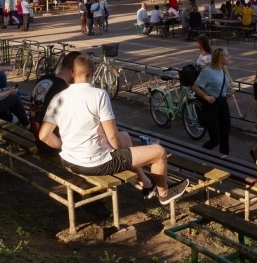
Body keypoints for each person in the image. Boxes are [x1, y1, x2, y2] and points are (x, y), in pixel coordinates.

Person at [39, 55, 188, 205]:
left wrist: (67, 147)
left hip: (69, 160)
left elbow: (44, 136)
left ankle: (146, 183)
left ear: (72, 73)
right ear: (93, 72)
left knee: (125, 136)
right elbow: (112, 136)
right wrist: (123, 153)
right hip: (95, 164)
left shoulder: (58, 97)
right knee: (159, 152)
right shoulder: (99, 95)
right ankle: (164, 193)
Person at [29, 51, 81, 156]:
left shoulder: (45, 78)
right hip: (53, 143)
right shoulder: (64, 90)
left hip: (35, 133)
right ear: (74, 71)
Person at [191, 47, 235, 156]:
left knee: (225, 135)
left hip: (222, 104)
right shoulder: (207, 71)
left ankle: (225, 161)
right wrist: (206, 97)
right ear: (220, 58)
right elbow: (195, 87)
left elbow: (224, 87)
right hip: (211, 105)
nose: (228, 57)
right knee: (216, 139)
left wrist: (230, 91)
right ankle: (201, 155)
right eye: (226, 55)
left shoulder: (223, 71)